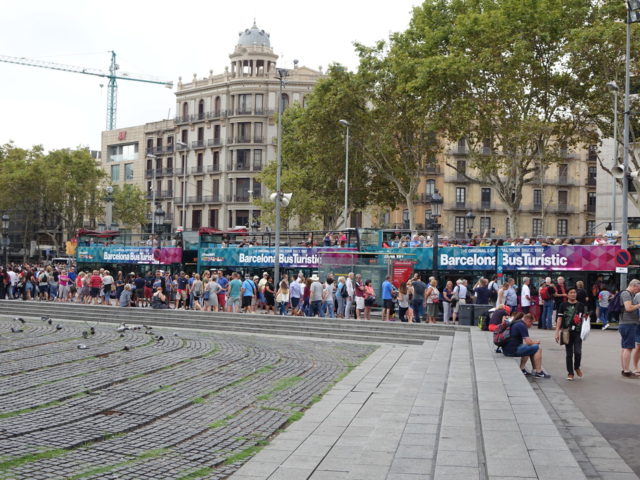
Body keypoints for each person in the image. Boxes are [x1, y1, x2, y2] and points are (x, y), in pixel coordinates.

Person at [502, 313, 551, 378]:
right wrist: (536, 342)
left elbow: (527, 343)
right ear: (528, 320)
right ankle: (539, 372)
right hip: (512, 350)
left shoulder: (517, 322)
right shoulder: (522, 325)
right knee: (537, 348)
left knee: (529, 348)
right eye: (531, 323)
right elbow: (528, 342)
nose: (531, 325)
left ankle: (525, 369)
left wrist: (532, 343)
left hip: (507, 349)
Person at [555, 288, 587, 381]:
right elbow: (559, 319)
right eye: (571, 292)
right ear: (567, 294)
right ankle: (570, 372)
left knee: (578, 352)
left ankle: (577, 367)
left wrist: (585, 318)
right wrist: (557, 332)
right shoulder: (563, 305)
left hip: (578, 332)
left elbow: (585, 318)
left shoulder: (581, 305)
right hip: (566, 332)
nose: (573, 294)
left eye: (574, 292)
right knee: (569, 353)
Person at [619, 279, 640, 378]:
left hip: (626, 324)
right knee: (628, 348)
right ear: (633, 285)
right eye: (638, 288)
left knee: (625, 348)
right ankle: (627, 371)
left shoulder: (628, 294)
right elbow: (628, 308)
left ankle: (625, 369)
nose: (638, 290)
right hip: (628, 324)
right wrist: (639, 305)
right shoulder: (626, 294)